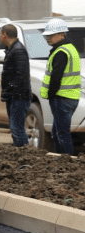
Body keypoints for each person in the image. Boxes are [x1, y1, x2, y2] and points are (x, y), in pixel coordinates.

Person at [40, 19, 81, 155]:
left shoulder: (61, 52)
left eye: (50, 35)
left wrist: (51, 95)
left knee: (62, 133)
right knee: (57, 132)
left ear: (61, 35)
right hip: (70, 97)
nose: (48, 39)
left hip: (61, 98)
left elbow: (55, 78)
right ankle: (60, 160)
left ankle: (67, 161)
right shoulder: (71, 49)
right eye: (47, 36)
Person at [0, 24, 31, 147]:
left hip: (19, 96)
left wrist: (13, 91)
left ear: (5, 35)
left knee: (17, 128)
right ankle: (20, 152)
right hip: (14, 96)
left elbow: (21, 76)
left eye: (0, 34)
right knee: (15, 128)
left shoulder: (18, 51)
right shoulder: (13, 49)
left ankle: (24, 154)